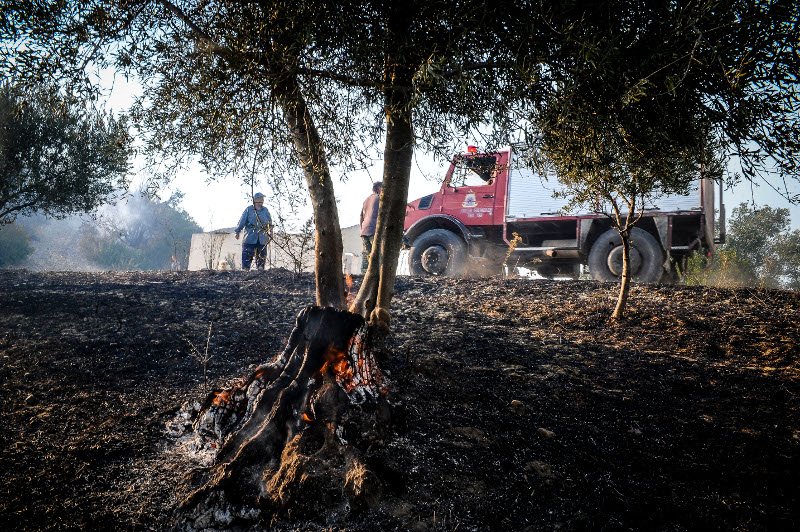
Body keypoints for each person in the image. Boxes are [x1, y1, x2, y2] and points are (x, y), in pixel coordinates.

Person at [235, 192, 273, 271]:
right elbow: (242, 221)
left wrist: (271, 233)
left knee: (261, 260)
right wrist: (237, 231)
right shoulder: (249, 209)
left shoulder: (265, 210)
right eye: (260, 199)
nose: (261, 201)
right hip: (250, 237)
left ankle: (260, 271)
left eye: (262, 199)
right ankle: (245, 271)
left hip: (262, 238)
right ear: (255, 200)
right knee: (247, 258)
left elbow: (270, 223)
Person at [360, 181, 382, 273]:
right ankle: (377, 275)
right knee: (378, 254)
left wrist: (362, 230)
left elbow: (361, 217)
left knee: (366, 255)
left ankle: (363, 275)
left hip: (364, 231)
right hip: (374, 230)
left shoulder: (365, 200)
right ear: (379, 188)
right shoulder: (380, 198)